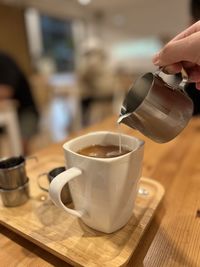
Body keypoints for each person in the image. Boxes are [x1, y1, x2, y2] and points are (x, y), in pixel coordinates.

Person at [0, 52, 39, 154]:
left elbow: (6, 91)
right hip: (5, 113)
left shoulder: (4, 60)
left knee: (21, 148)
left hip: (25, 112)